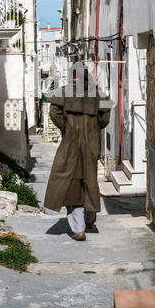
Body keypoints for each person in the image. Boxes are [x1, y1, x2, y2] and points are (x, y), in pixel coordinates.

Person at [44, 62, 111, 241]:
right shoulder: (97, 94)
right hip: (91, 145)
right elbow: (105, 117)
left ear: (71, 74)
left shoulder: (63, 92)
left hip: (70, 144)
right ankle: (89, 220)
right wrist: (94, 128)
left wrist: (66, 128)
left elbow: (54, 113)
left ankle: (79, 228)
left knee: (71, 182)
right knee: (89, 181)